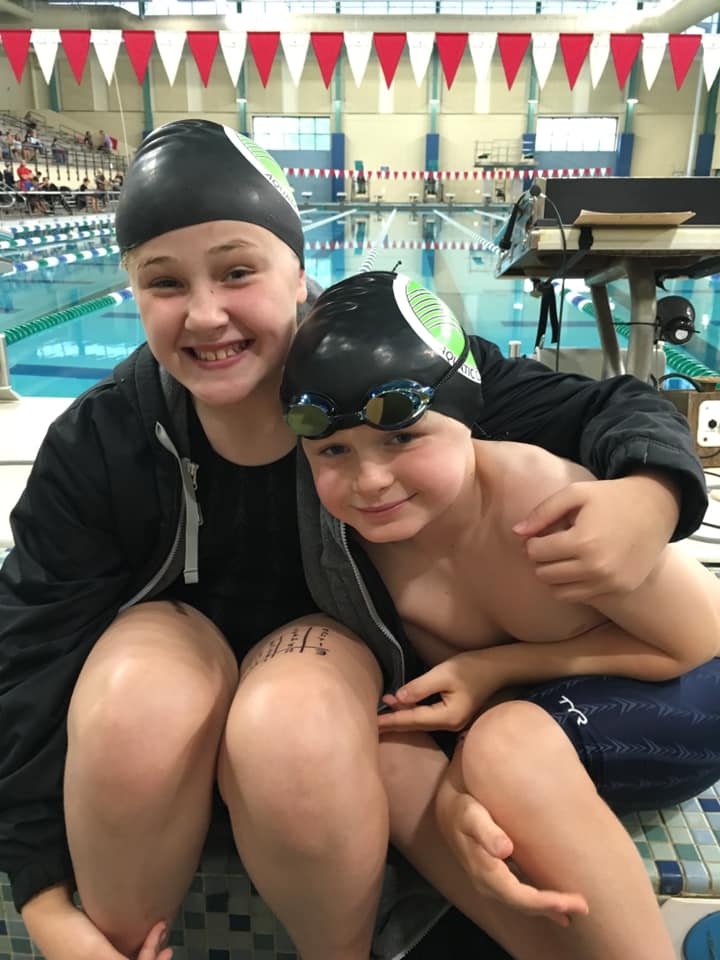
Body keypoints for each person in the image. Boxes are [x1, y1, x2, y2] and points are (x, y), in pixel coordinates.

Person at [0, 119, 710, 960]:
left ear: (298, 274)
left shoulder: (379, 375)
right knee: (133, 705)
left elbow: (597, 407)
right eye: (163, 283)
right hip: (202, 675)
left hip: (341, 699)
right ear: (129, 291)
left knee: (306, 731)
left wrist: (654, 490)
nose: (205, 314)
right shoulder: (106, 440)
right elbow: (32, 653)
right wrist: (42, 898)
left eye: (238, 270)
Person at [280, 269, 720, 960]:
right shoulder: (353, 549)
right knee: (383, 748)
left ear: (464, 415)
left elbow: (700, 641)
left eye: (401, 439)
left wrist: (498, 669)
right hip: (533, 725)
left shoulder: (540, 503)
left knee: (507, 744)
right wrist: (454, 781)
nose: (370, 481)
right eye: (333, 451)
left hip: (682, 699)